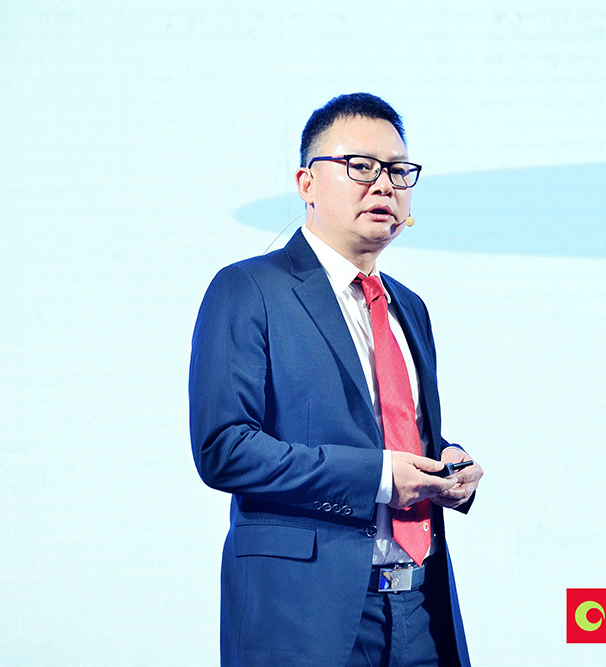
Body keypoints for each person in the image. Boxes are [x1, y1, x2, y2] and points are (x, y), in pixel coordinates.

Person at [189, 92, 483, 667]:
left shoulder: (409, 307)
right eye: (361, 167)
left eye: (399, 171)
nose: (384, 186)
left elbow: (390, 433)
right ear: (307, 183)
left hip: (420, 610)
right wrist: (380, 477)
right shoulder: (249, 289)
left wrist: (445, 464)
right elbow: (224, 449)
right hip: (304, 615)